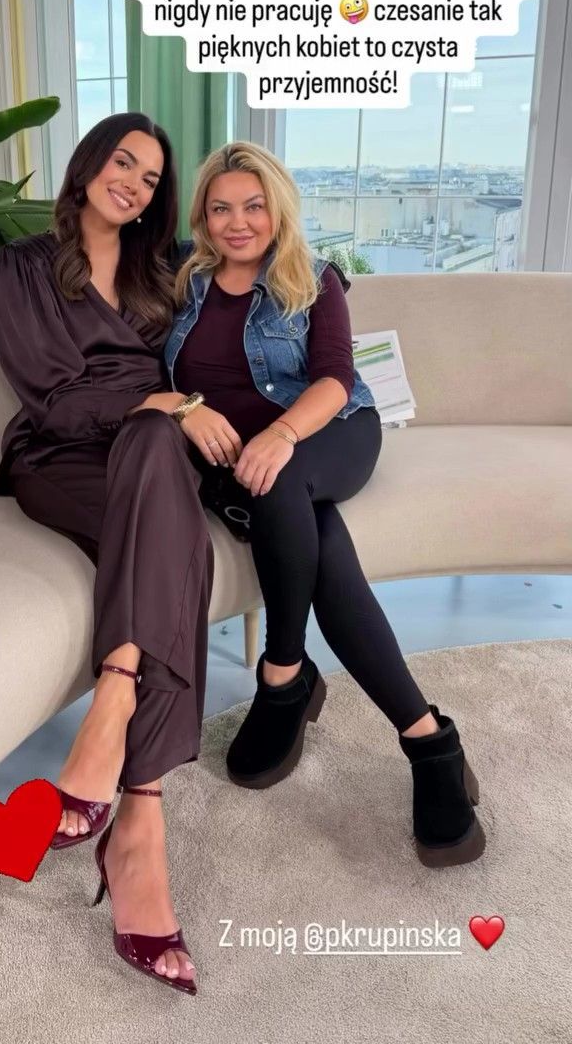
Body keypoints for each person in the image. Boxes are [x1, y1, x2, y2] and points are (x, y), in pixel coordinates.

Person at [162, 140, 486, 869]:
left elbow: (336, 377)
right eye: (221, 208)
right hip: (243, 459)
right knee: (317, 539)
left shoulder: (312, 278)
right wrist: (185, 409)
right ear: (202, 217)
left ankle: (282, 675)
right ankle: (429, 739)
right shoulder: (183, 280)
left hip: (330, 431)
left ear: (278, 209)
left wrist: (279, 434)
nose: (238, 222)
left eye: (254, 206)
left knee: (278, 482)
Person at [0, 113, 223, 995]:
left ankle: (117, 703)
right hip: (60, 459)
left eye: (152, 177)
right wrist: (154, 405)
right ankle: (139, 832)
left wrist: (320, 283)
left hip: (153, 457)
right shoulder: (20, 266)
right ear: (89, 164)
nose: (134, 182)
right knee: (177, 538)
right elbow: (48, 399)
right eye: (123, 161)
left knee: (161, 465)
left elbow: (262, 272)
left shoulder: (168, 270)